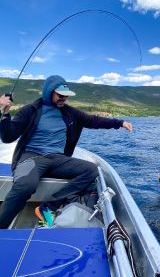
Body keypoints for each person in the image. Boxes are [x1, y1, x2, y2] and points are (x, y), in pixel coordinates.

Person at [0, 75, 133, 228]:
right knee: (25, 186)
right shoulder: (30, 110)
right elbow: (8, 137)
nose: (63, 98)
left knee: (92, 170)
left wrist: (120, 123)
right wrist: (4, 115)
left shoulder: (70, 113)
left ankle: (49, 207)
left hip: (58, 159)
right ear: (49, 92)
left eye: (66, 96)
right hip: (32, 157)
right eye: (60, 95)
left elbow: (93, 121)